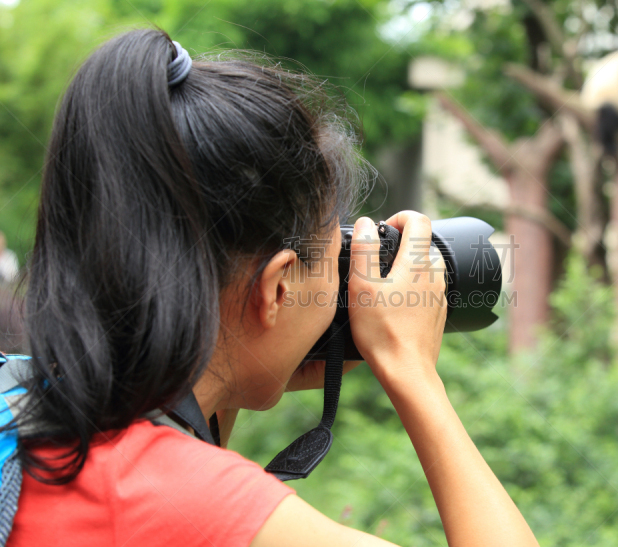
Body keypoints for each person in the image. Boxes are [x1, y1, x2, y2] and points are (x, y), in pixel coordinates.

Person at [3, 28, 539, 547]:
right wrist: (412, 369)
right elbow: (192, 500)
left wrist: (242, 374)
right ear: (279, 289)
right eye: (336, 262)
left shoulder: (22, 405)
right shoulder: (191, 501)